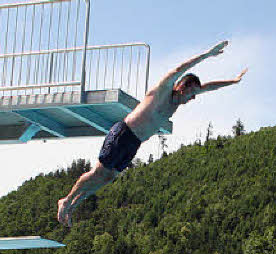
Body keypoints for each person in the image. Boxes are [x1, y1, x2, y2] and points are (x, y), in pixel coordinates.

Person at [57, 41, 247, 226]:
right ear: (183, 87)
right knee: (98, 172)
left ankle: (74, 204)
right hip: (124, 133)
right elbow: (181, 68)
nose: (193, 98)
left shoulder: (177, 102)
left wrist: (234, 81)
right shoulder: (162, 91)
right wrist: (207, 55)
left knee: (108, 177)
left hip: (135, 143)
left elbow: (210, 87)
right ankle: (66, 200)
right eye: (192, 94)